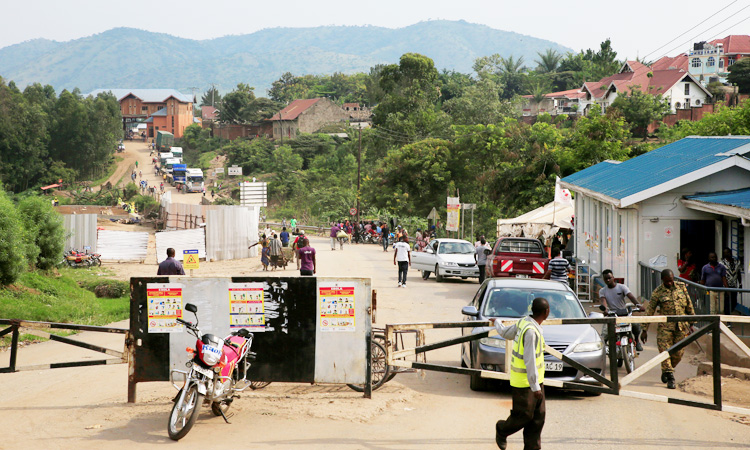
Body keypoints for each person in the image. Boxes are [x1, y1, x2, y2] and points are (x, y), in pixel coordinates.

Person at [490, 297, 550, 450]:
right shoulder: (530, 331)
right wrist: (535, 387)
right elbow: (530, 360)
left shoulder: (525, 322)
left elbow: (505, 332)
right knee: (523, 415)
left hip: (536, 381)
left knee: (538, 419)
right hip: (525, 383)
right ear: (546, 312)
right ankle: (502, 430)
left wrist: (497, 322)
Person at [641, 269, 695, 389]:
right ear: (662, 280)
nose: (669, 283)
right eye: (667, 282)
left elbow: (689, 305)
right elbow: (649, 310)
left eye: (671, 281)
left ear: (673, 278)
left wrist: (691, 323)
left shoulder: (681, 287)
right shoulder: (658, 292)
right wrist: (644, 329)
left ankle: (666, 370)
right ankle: (670, 377)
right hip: (665, 328)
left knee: (678, 353)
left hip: (681, 327)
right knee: (665, 353)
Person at [599, 269, 643, 351]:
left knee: (636, 325)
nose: (608, 280)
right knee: (604, 335)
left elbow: (631, 297)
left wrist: (639, 305)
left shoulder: (622, 287)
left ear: (613, 277)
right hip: (612, 315)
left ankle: (637, 340)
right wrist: (605, 310)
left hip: (624, 313)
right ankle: (604, 352)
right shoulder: (602, 291)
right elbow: (603, 301)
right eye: (606, 279)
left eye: (609, 278)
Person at [721, 247, 742, 315]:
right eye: (725, 253)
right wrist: (726, 287)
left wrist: (740, 283)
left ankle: (729, 313)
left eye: (728, 252)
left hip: (734, 285)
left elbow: (738, 273)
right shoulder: (722, 263)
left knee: (734, 302)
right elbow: (722, 276)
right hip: (726, 286)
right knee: (727, 303)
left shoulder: (736, 262)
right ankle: (728, 321)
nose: (727, 254)